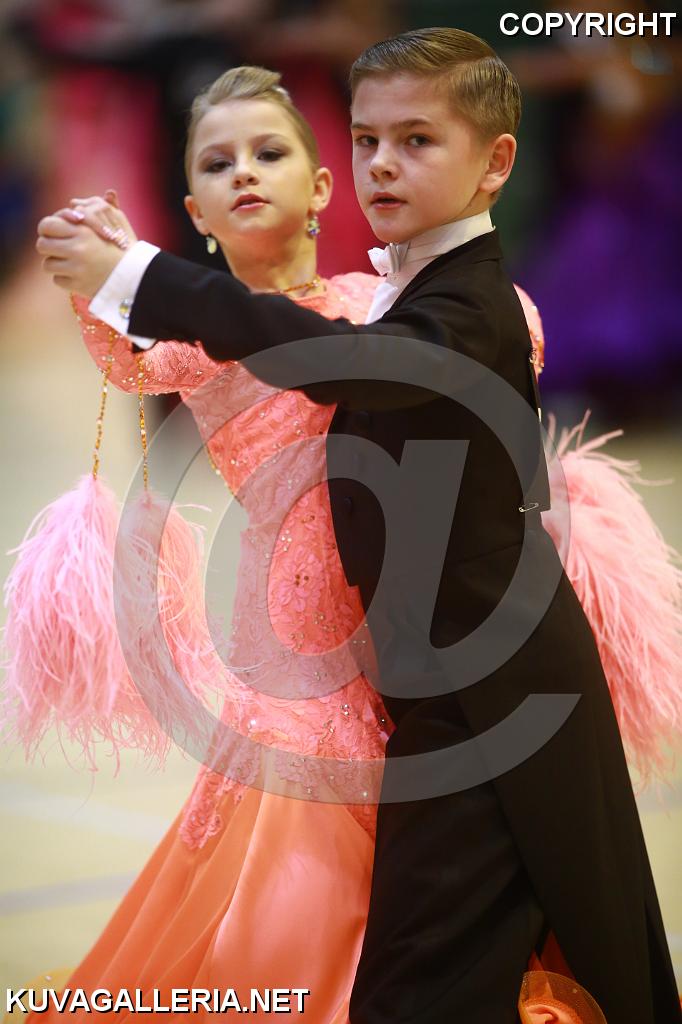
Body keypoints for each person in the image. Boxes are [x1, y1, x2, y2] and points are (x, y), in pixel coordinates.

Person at [35, 33, 681, 1024]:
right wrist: (109, 276)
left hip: (486, 704)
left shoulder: (452, 310)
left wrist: (141, 273)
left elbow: (342, 358)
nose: (384, 163)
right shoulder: (397, 301)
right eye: (370, 138)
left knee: (445, 975)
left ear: (496, 163)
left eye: (416, 141)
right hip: (403, 693)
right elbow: (155, 358)